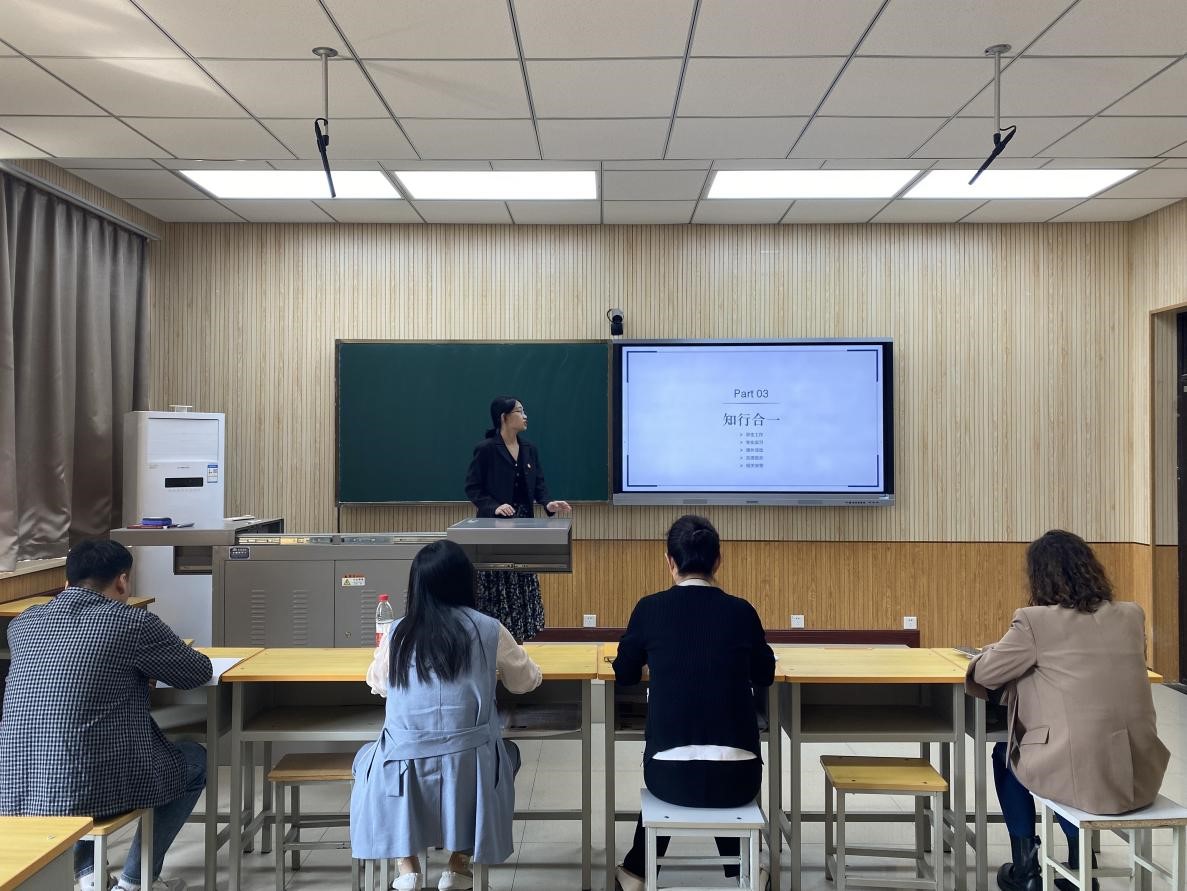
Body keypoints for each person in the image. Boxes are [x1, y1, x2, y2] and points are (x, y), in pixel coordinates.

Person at [0, 539, 212, 891]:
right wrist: (144, 669)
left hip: (17, 789)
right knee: (195, 760)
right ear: (122, 581)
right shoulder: (133, 623)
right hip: (89, 791)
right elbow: (196, 672)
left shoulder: (23, 624)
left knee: (73, 746)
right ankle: (134, 881)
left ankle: (88, 876)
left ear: (66, 582)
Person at [966, 529, 1169, 891]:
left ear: (1039, 576)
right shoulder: (1130, 615)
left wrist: (993, 651)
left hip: (1085, 773)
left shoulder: (1034, 621)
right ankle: (1082, 864)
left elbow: (986, 673)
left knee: (1008, 754)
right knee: (1071, 756)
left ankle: (1026, 870)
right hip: (1141, 770)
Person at [351, 539, 543, 891]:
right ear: (466, 582)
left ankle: (406, 866)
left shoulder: (397, 631)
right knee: (507, 754)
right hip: (471, 765)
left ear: (417, 586)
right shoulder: (489, 628)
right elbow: (524, 682)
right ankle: (458, 864)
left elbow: (377, 684)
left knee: (366, 758)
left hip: (403, 766)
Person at [612, 515, 775, 891]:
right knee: (717, 766)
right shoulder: (742, 611)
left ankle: (636, 873)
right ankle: (744, 871)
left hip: (667, 779)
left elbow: (625, 674)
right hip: (739, 779)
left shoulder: (650, 608)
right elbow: (765, 674)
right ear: (718, 561)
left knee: (682, 760)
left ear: (670, 561)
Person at [463, 395, 571, 642]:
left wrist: (548, 503)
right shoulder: (486, 449)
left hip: (523, 527)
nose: (525, 416)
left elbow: (539, 484)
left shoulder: (529, 449)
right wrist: (494, 507)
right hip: (494, 530)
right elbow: (473, 488)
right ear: (504, 417)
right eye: (520, 411)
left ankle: (517, 644)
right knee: (497, 587)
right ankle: (492, 642)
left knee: (521, 581)